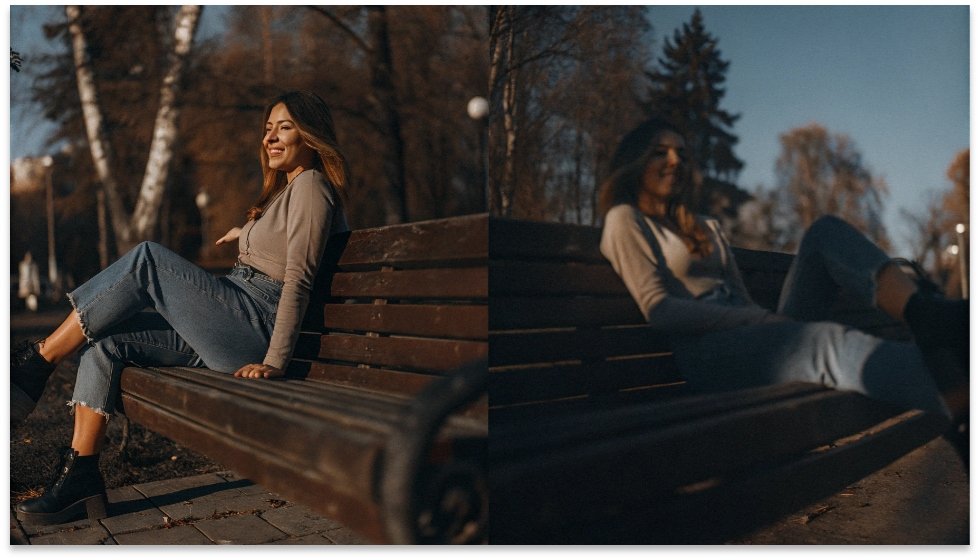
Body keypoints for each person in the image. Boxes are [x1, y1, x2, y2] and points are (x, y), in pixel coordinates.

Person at [11, 90, 350, 525]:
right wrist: (245, 234)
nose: (271, 138)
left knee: (147, 259)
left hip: (255, 326)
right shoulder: (288, 192)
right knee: (107, 346)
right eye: (267, 129)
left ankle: (37, 361)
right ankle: (81, 475)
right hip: (238, 314)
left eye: (284, 127)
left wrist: (275, 360)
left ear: (311, 134)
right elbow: (281, 246)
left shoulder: (311, 186)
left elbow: (298, 278)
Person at [598, 118, 969, 463]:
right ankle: (960, 397)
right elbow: (660, 309)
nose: (675, 160)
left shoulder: (704, 226)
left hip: (753, 337)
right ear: (635, 161)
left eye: (681, 152)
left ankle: (924, 313)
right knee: (825, 343)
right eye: (660, 152)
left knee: (824, 231)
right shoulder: (625, 219)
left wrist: (765, 322)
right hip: (708, 355)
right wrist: (755, 320)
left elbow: (740, 296)